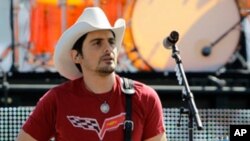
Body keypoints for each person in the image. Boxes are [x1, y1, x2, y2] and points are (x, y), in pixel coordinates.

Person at [16, 7, 167, 141]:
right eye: (97, 43)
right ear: (76, 56)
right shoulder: (56, 100)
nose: (108, 49)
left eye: (111, 42)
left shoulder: (145, 98)